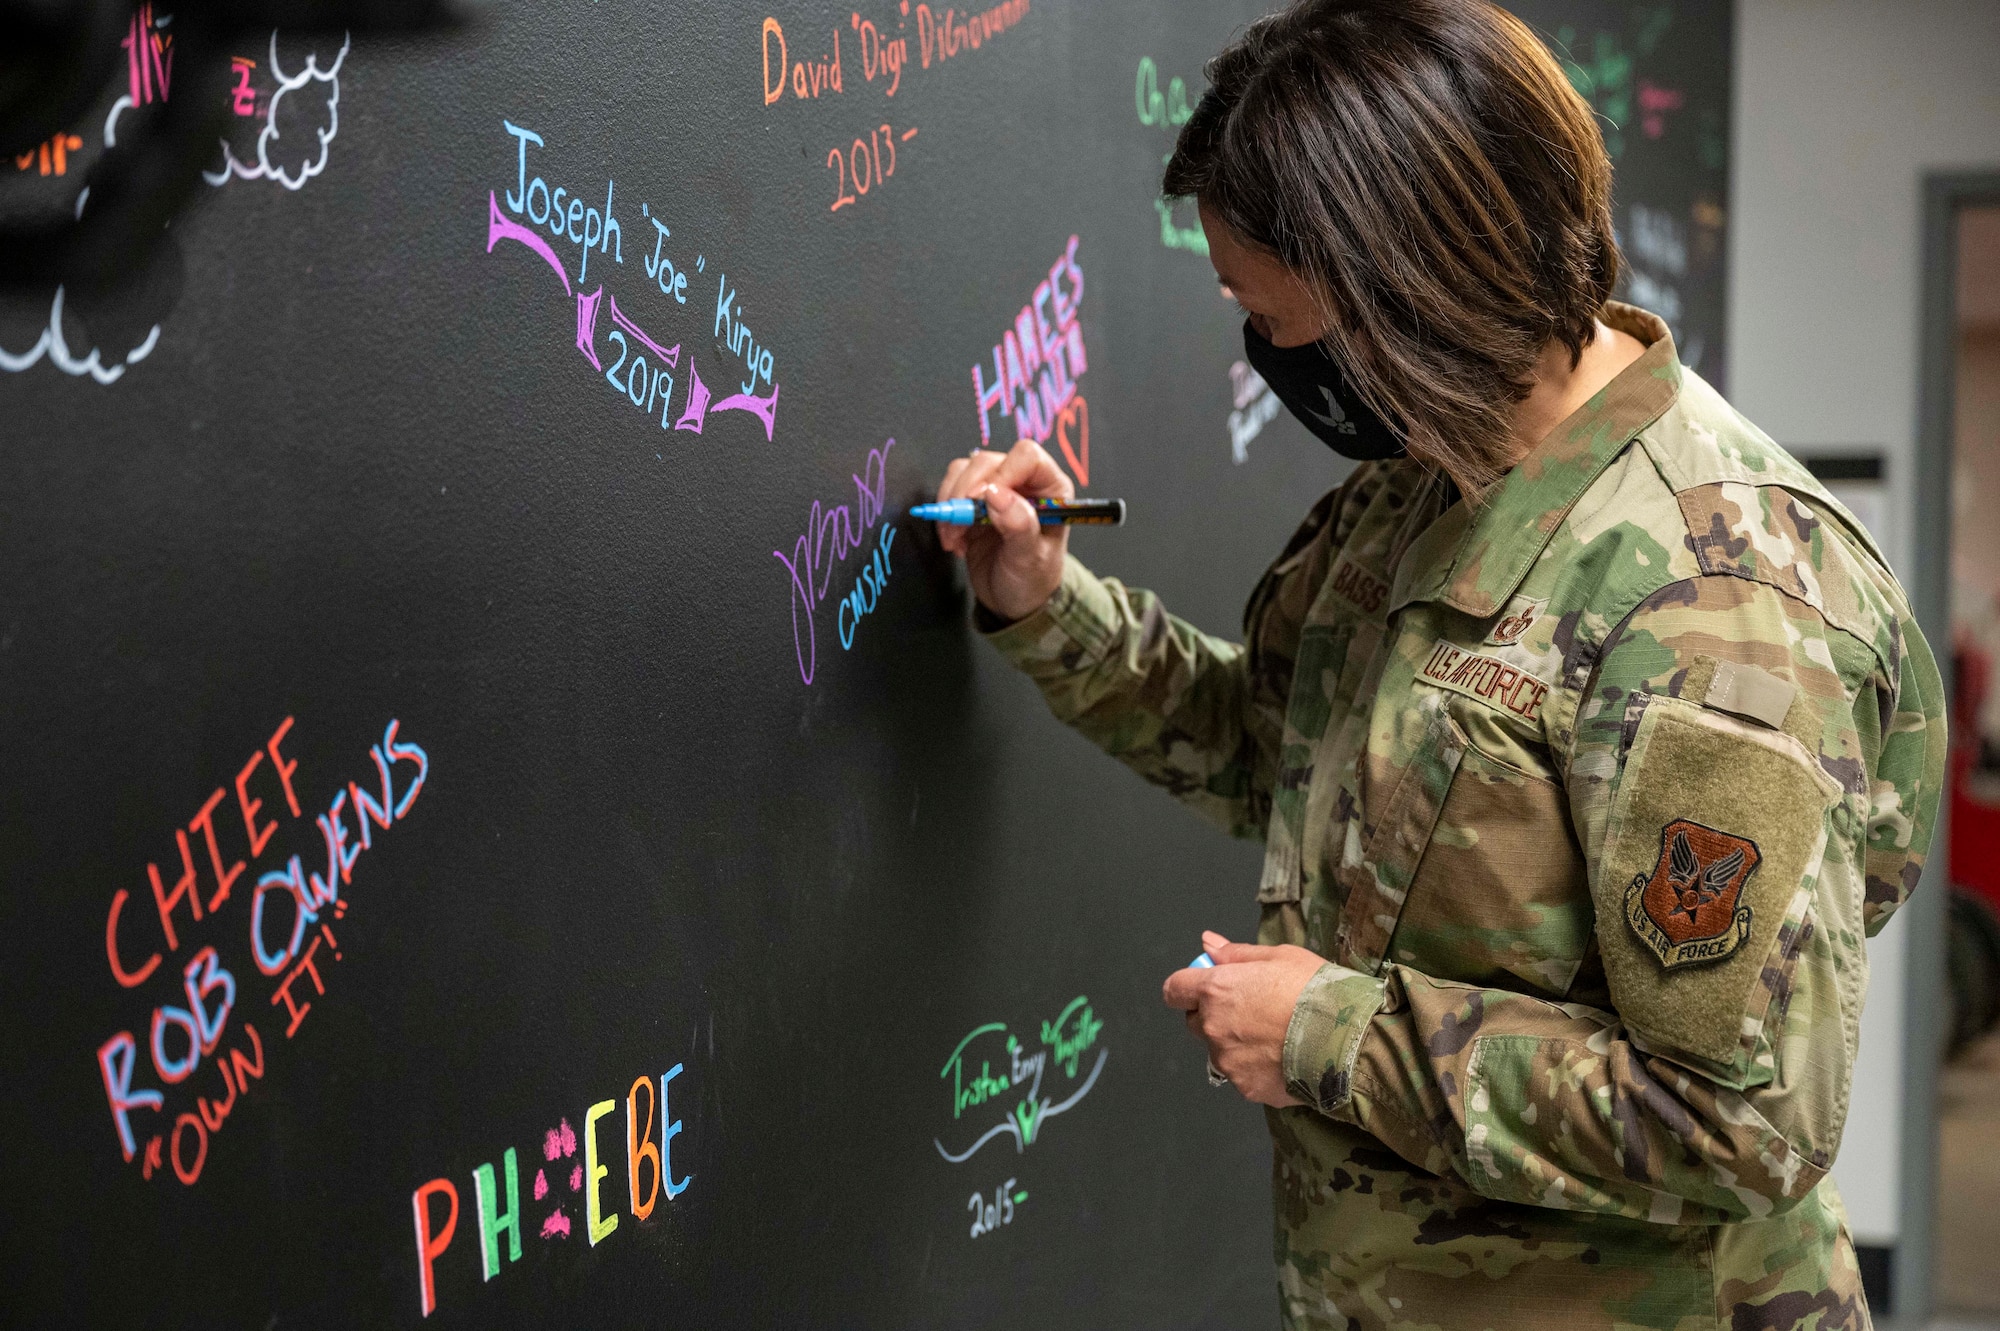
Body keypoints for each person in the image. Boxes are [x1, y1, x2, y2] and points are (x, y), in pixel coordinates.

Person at [930, 1, 1947, 1327]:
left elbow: (1741, 1122)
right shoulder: (1427, 479)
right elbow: (1277, 747)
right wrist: (1049, 605)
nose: (1253, 339)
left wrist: (1326, 1034)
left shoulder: (1714, 597)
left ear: (1389, 285)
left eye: (1258, 303)